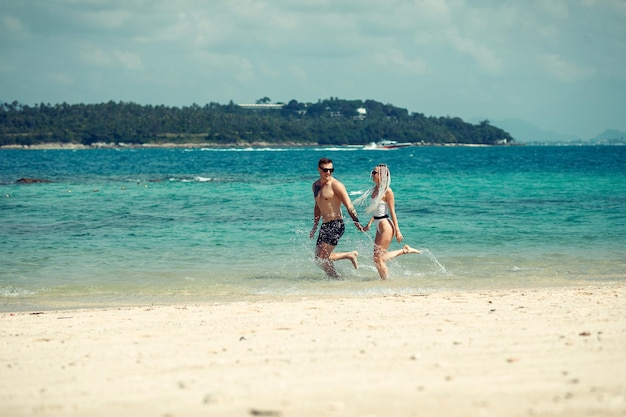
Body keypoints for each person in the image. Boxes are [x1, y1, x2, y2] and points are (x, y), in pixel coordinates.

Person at [355, 164, 421, 280]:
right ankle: (385, 280)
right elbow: (376, 211)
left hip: (386, 226)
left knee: (379, 258)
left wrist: (398, 231)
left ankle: (403, 253)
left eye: (375, 172)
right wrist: (369, 224)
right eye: (373, 172)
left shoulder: (388, 191)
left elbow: (392, 212)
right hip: (378, 224)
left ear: (382, 175)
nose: (372, 174)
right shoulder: (375, 190)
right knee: (377, 258)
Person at [310, 158, 363, 278]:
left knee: (323, 257)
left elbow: (349, 205)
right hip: (325, 225)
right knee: (318, 258)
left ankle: (345, 264)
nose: (328, 172)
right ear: (319, 169)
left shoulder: (336, 185)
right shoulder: (315, 186)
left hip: (336, 224)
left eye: (331, 170)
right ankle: (338, 274)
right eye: (325, 170)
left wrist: (356, 222)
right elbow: (317, 206)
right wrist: (315, 226)